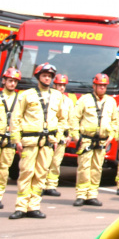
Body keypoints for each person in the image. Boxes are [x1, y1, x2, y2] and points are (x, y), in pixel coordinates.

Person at [9, 62, 64, 219]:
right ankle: (21, 207)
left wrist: (57, 138)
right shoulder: (27, 95)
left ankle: (34, 206)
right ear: (38, 77)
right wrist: (16, 139)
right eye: (44, 76)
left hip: (47, 143)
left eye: (49, 76)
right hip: (29, 141)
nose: (47, 79)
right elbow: (16, 117)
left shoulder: (57, 96)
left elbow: (62, 119)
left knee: (41, 174)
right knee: (26, 173)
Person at [71, 73, 117, 207]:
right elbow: (75, 119)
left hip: (102, 141)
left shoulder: (111, 101)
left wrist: (111, 136)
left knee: (97, 169)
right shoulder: (84, 100)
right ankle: (81, 195)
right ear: (94, 86)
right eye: (100, 86)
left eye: (104, 86)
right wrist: (76, 137)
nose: (102, 88)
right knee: (84, 168)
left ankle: (92, 195)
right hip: (86, 140)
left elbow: (115, 121)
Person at [42, 73, 74, 197]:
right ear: (54, 85)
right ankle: (41, 185)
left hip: (61, 137)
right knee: (44, 162)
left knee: (56, 162)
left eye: (63, 85)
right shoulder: (47, 98)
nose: (61, 87)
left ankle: (51, 186)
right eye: (59, 85)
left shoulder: (69, 101)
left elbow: (71, 119)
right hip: (49, 136)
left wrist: (70, 135)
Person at [0, 68, 23, 211]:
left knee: (3, 170)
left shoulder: (20, 99)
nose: (12, 83)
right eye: (10, 80)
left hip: (9, 140)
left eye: (15, 81)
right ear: (4, 81)